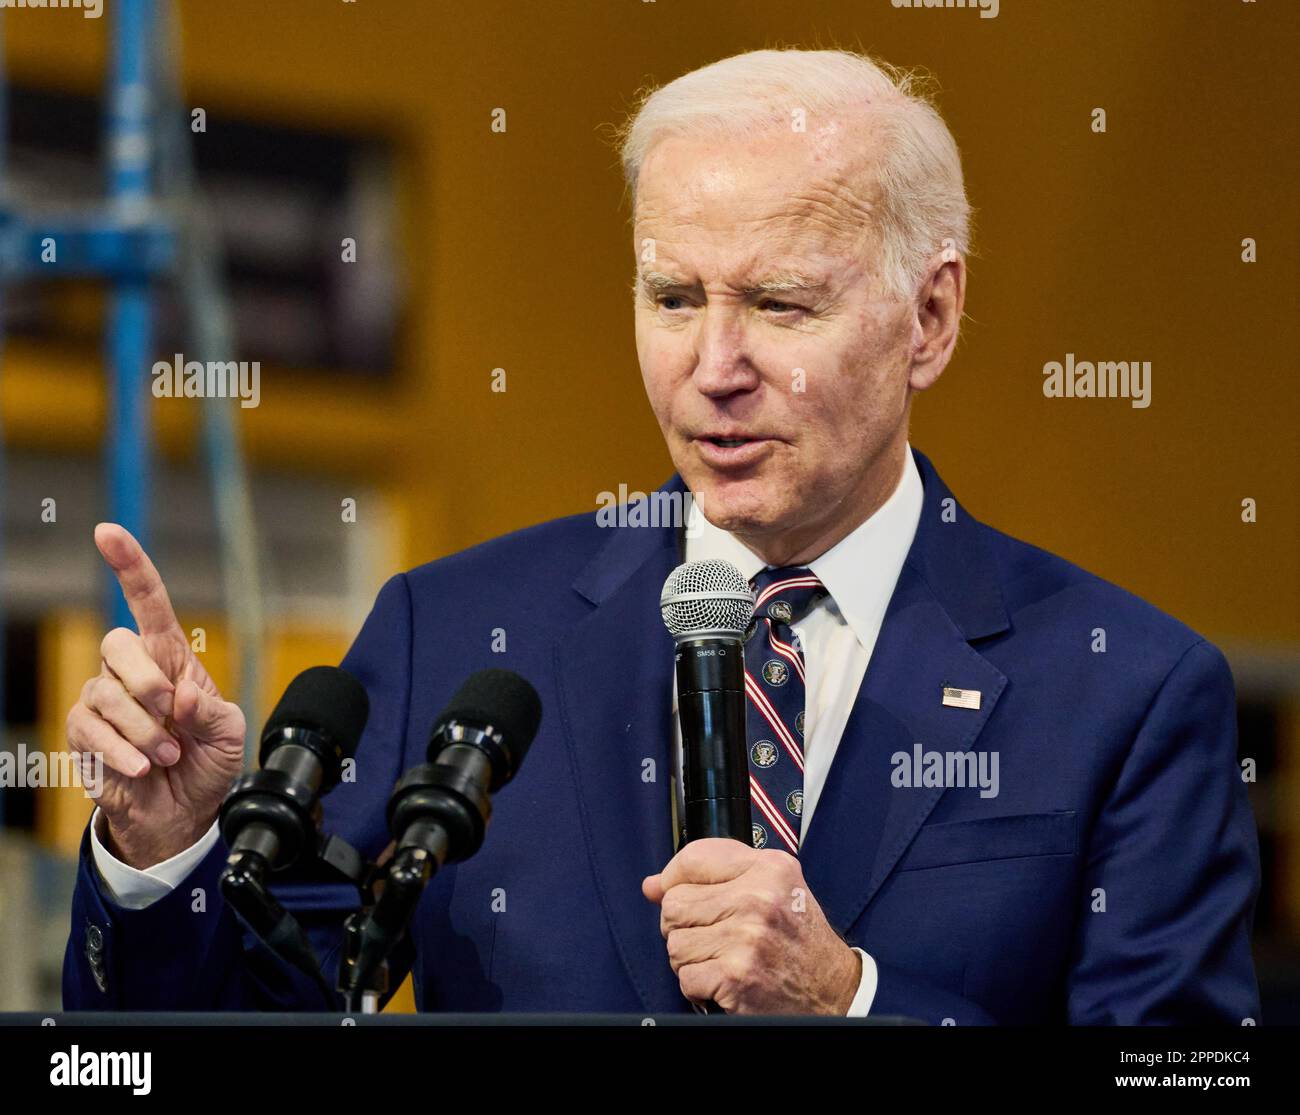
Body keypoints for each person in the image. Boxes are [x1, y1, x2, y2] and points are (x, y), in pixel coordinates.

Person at [62, 48, 1260, 1022]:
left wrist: (852, 1002)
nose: (713, 369)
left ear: (929, 318)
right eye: (672, 298)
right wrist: (164, 853)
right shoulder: (458, 629)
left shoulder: (1127, 693)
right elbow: (244, 1024)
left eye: (780, 302)